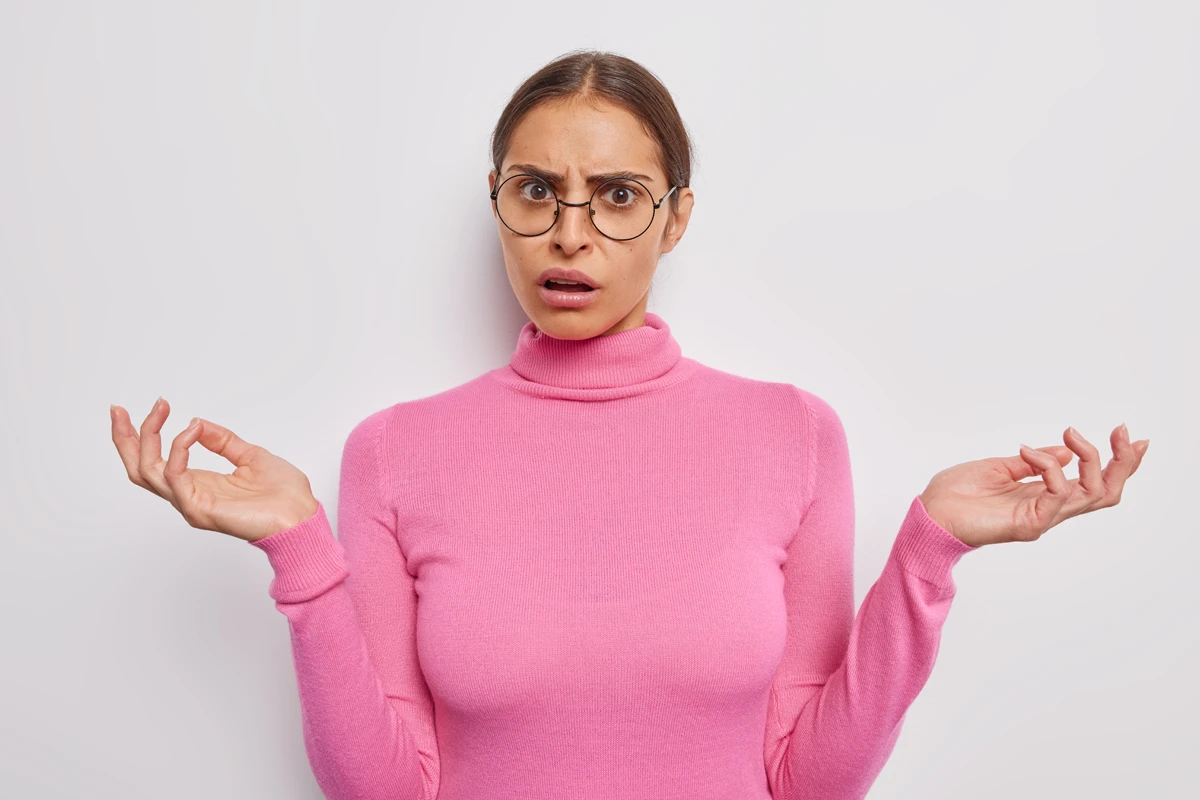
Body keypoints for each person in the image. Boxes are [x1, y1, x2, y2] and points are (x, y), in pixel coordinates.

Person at [109, 49, 1149, 800]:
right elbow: (385, 790)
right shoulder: (392, 452)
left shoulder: (793, 435)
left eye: (617, 195)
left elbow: (807, 780)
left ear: (676, 216)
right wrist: (300, 549)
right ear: (495, 198)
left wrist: (930, 548)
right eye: (537, 190)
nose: (570, 234)